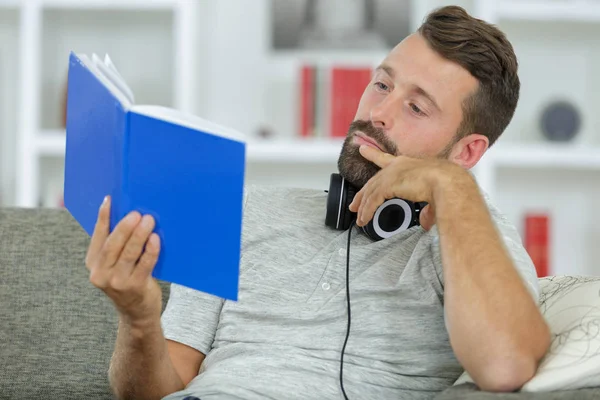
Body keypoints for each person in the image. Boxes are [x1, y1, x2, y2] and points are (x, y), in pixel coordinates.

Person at [85, 6, 551, 400]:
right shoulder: (246, 211)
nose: (377, 113)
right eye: (383, 85)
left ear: (466, 152)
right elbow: (156, 390)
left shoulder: (472, 235)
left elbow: (506, 366)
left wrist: (454, 190)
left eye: (417, 107)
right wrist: (139, 317)